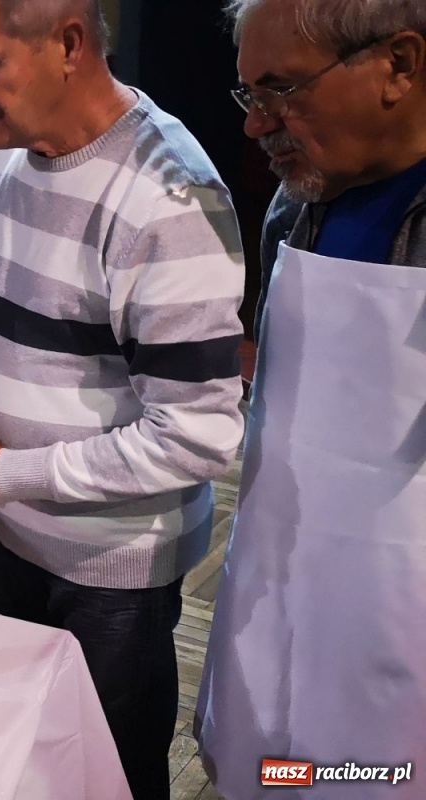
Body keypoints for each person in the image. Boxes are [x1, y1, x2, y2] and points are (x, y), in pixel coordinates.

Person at [0, 0, 246, 796]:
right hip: (9, 531)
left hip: (108, 572)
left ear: (69, 44)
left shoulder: (169, 197)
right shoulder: (10, 156)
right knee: (24, 757)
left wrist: (5, 470)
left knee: (104, 775)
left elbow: (199, 437)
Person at [195, 1, 426, 796]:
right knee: (277, 773)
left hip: (405, 621)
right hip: (282, 582)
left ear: (400, 64)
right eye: (251, 97)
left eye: (283, 90)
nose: (259, 127)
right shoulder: (297, 205)